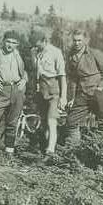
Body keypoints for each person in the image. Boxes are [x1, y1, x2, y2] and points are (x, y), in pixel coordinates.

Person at [65, 29, 103, 148]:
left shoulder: (95, 53)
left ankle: (102, 149)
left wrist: (101, 87)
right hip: (83, 93)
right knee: (72, 120)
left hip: (99, 92)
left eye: (79, 40)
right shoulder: (71, 56)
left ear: (85, 40)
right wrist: (71, 97)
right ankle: (74, 150)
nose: (76, 43)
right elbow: (72, 78)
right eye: (74, 40)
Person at [31, 29, 67, 158]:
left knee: (52, 121)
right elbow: (35, 73)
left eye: (38, 45)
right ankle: (46, 147)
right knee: (44, 121)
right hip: (41, 90)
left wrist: (64, 97)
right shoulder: (34, 52)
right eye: (34, 45)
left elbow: (62, 76)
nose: (35, 47)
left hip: (54, 90)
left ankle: (50, 151)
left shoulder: (56, 52)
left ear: (44, 41)